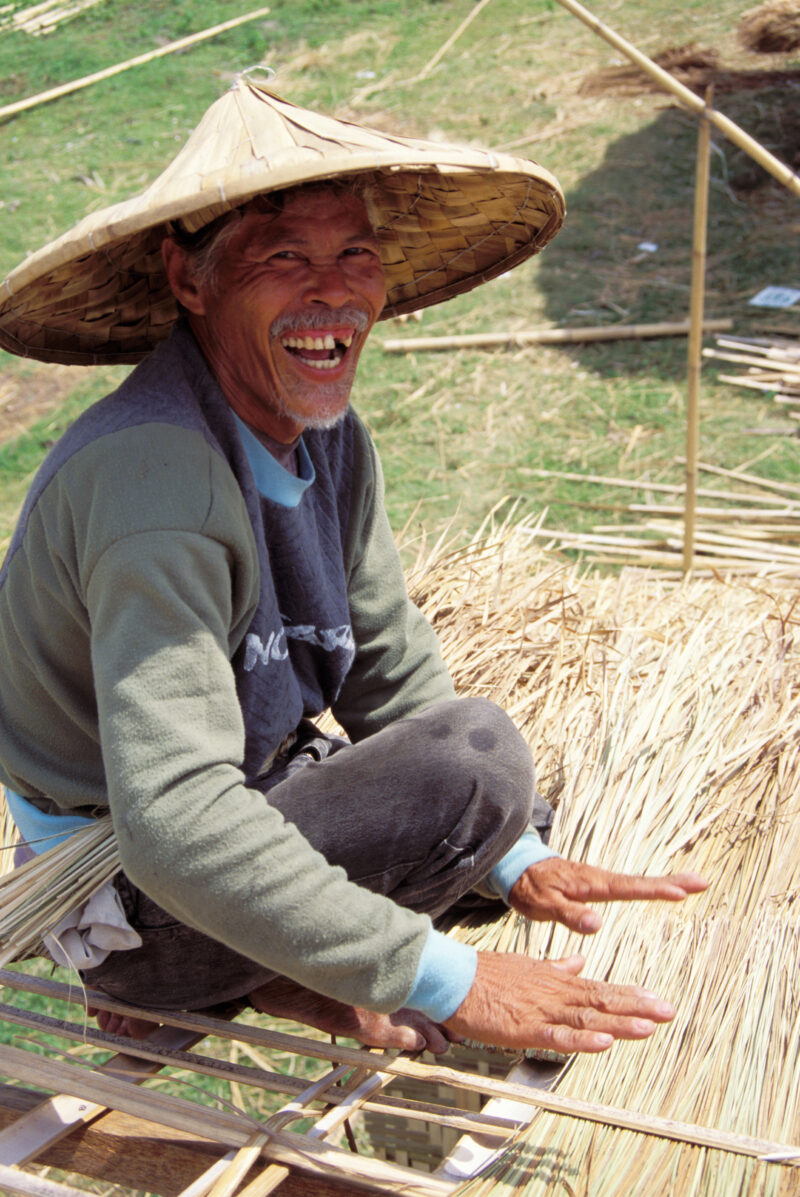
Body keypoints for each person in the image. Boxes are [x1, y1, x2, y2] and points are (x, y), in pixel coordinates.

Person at [0, 82, 706, 1055]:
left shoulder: (321, 437)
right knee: (467, 764)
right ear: (190, 279)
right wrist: (448, 979)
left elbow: (385, 658)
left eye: (355, 255)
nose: (331, 292)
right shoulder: (154, 483)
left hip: (245, 790)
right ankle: (167, 983)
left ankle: (278, 977)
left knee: (476, 782)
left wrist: (513, 862)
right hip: (129, 885)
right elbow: (173, 823)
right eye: (283, 258)